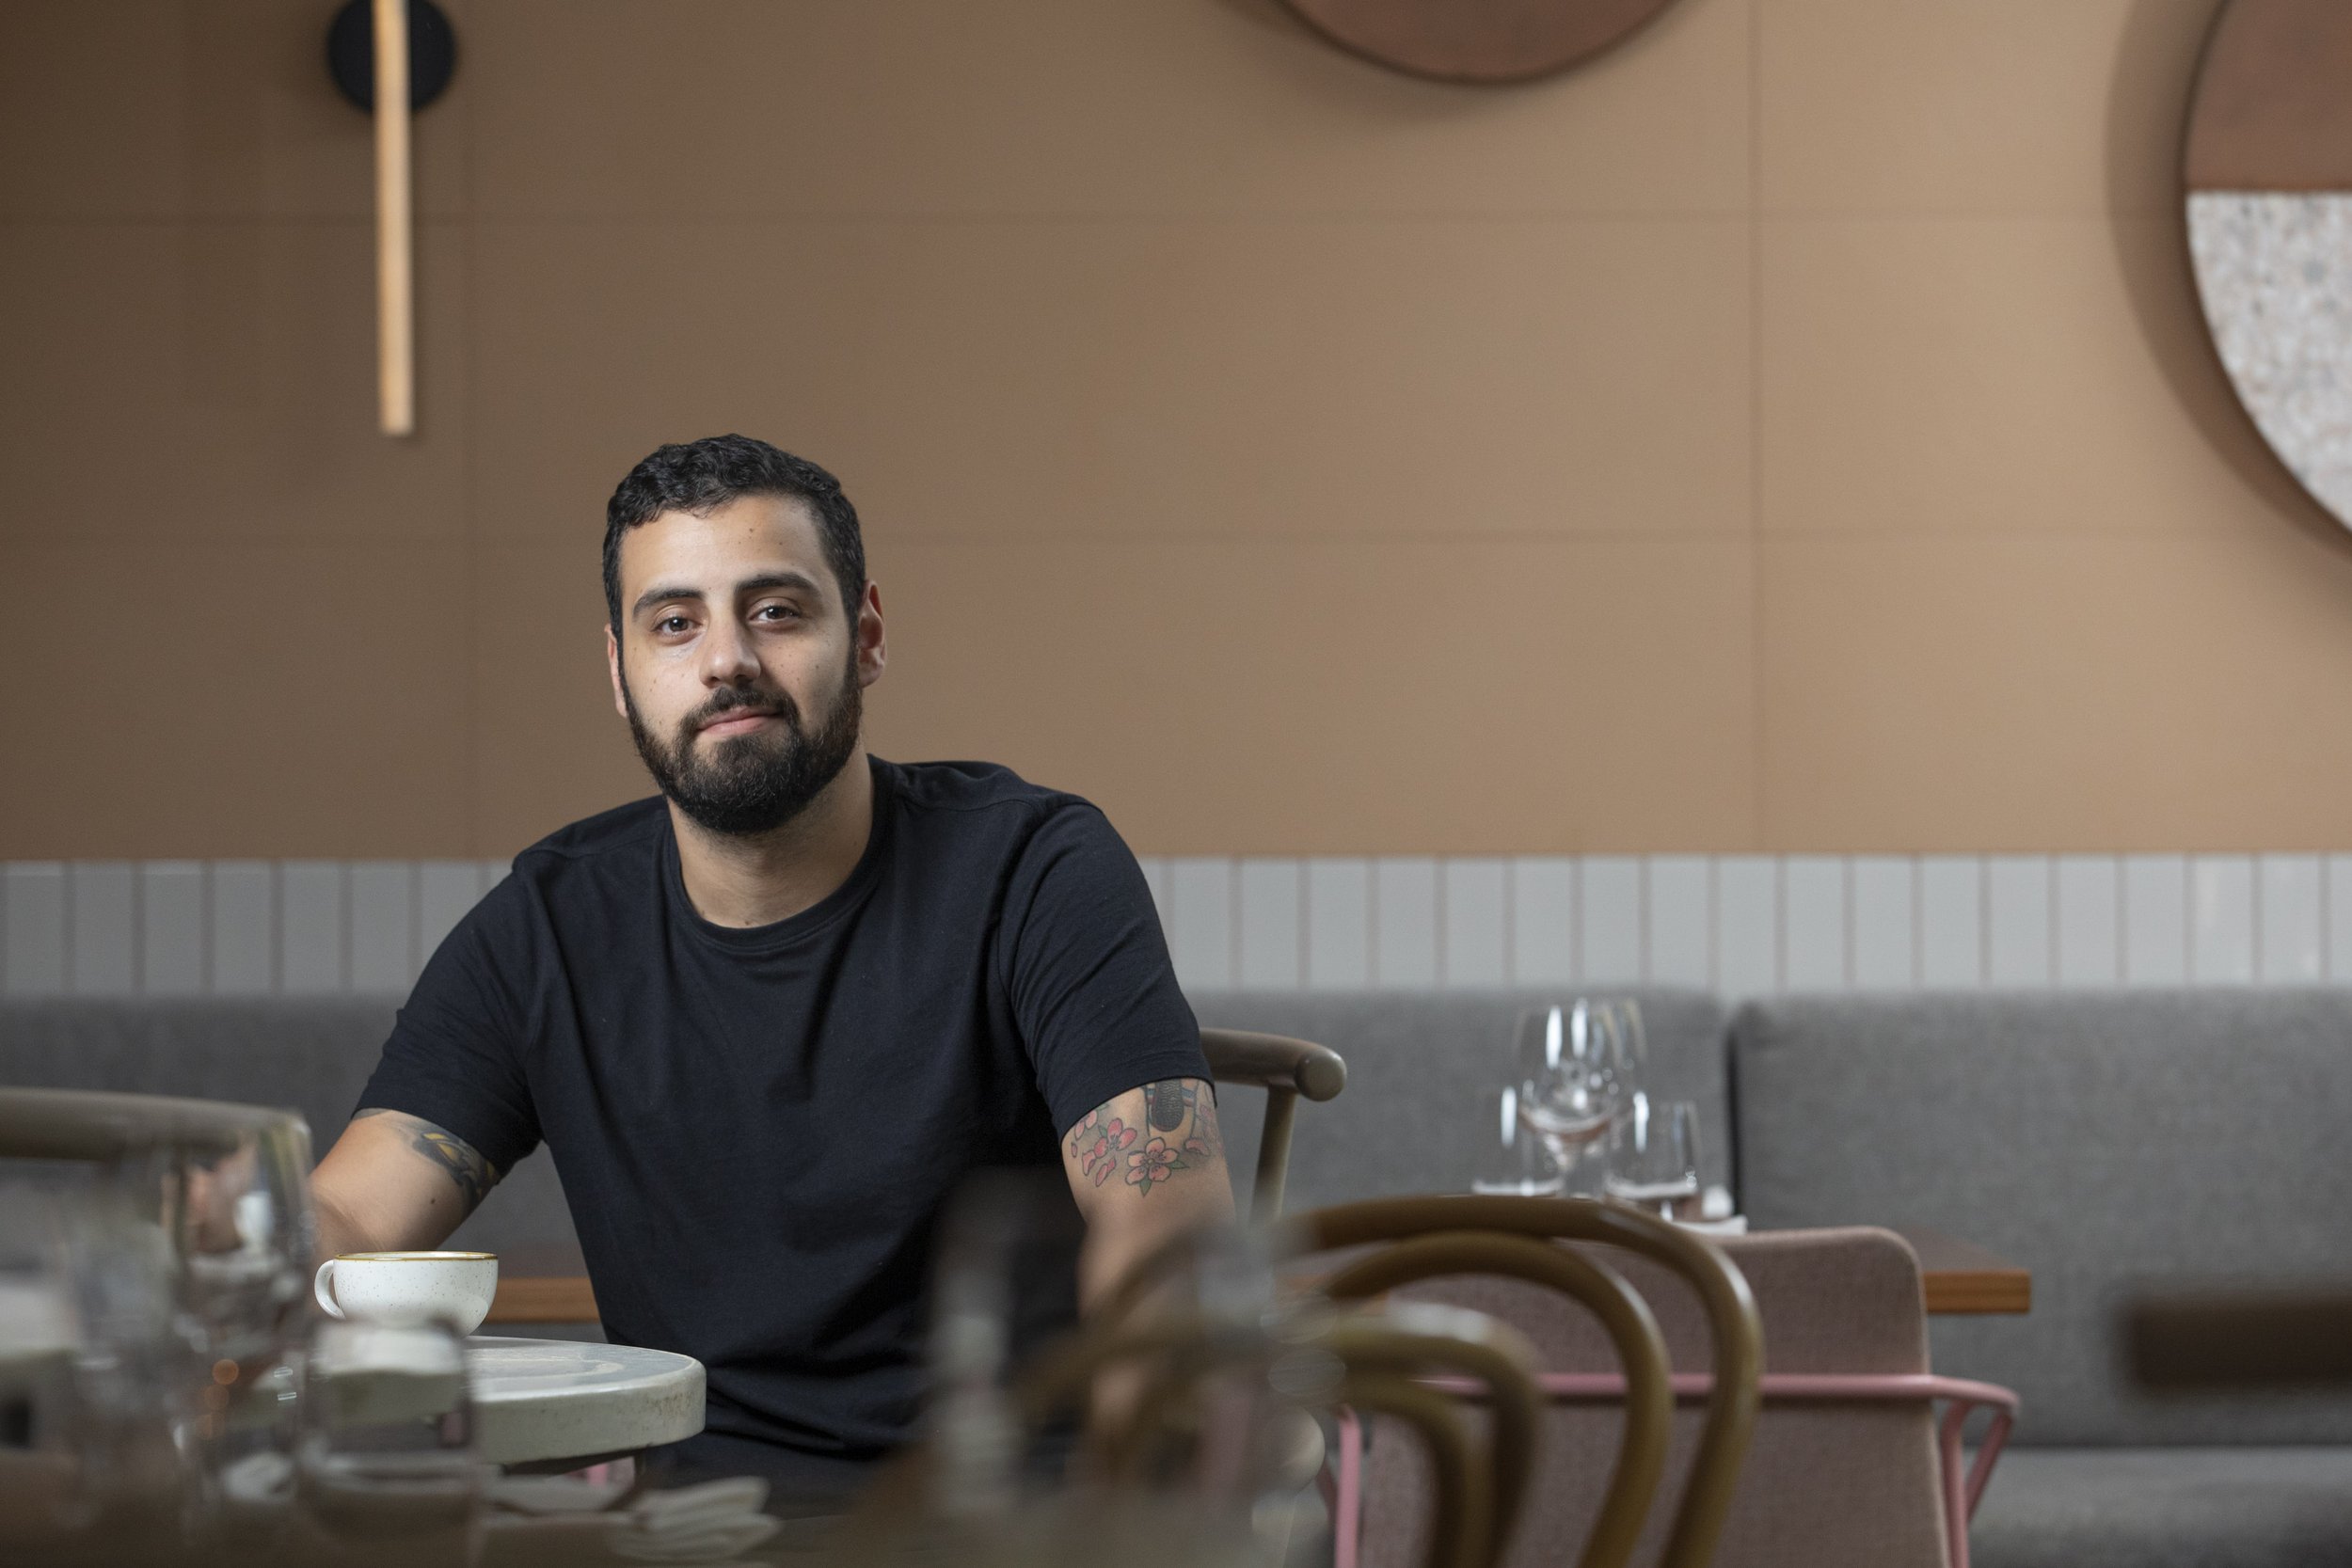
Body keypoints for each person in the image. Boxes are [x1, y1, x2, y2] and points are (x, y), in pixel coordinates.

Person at [309, 435, 1232, 1501]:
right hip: (700, 1529)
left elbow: (1162, 1226)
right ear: (620, 672)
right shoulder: (545, 928)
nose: (726, 659)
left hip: (1008, 1516)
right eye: (674, 621)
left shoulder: (1033, 868)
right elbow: (355, 1220)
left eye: (777, 609)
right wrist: (218, 1247)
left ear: (866, 635)